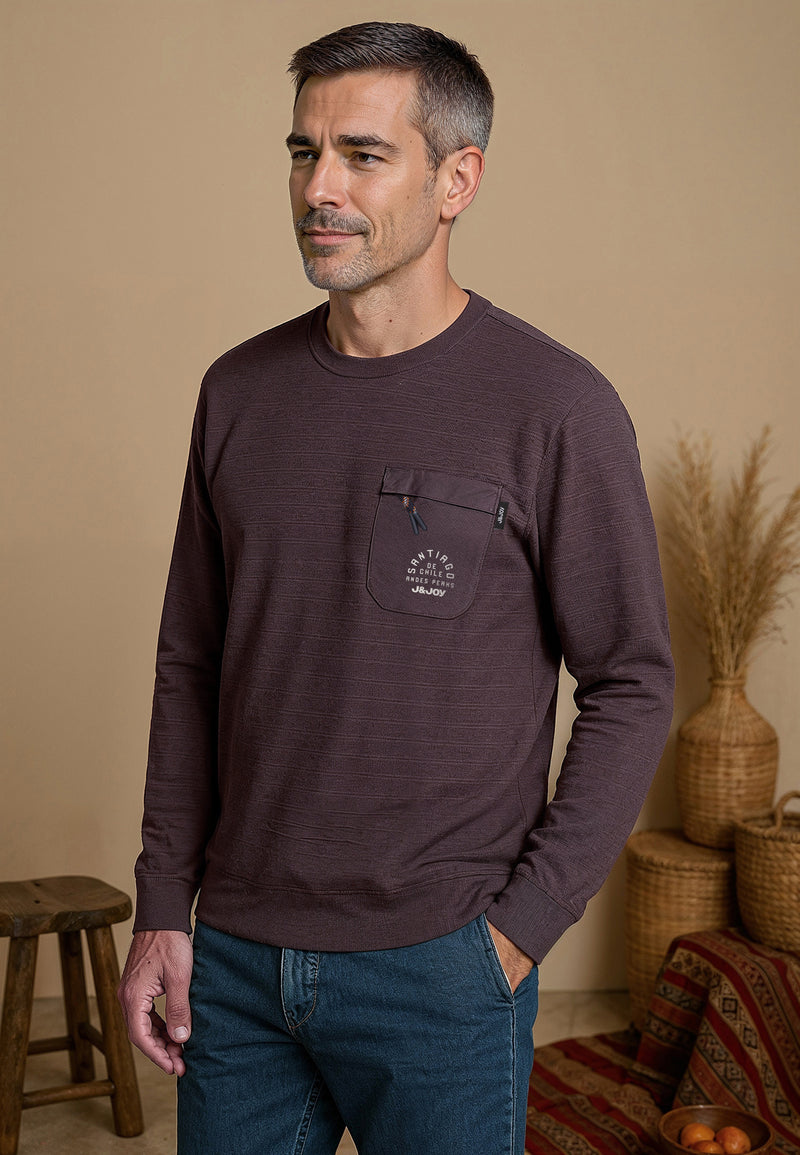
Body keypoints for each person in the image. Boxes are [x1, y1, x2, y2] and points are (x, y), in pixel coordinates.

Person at [118, 20, 674, 1155]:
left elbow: (631, 681)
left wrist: (519, 929)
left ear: (457, 179)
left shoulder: (555, 408)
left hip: (443, 966)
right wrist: (164, 905)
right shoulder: (237, 393)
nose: (319, 188)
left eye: (362, 155)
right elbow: (190, 664)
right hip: (236, 962)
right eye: (303, 151)